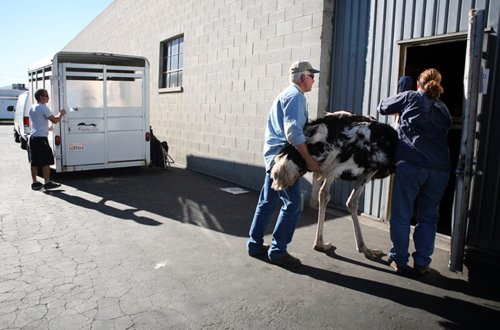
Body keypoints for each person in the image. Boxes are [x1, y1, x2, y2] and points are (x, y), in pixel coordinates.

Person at [377, 68, 451, 275]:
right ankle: (422, 263)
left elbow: (381, 107)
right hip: (439, 170)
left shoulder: (411, 97)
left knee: (401, 214)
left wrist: (401, 105)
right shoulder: (443, 108)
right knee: (428, 217)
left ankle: (399, 259)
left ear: (419, 83)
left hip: (412, 165)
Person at [247, 60, 320, 267]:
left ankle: (254, 245)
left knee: (267, 202)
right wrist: (309, 160)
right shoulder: (295, 97)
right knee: (293, 204)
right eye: (312, 76)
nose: (314, 80)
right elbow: (293, 133)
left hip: (273, 158)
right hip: (284, 162)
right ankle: (278, 251)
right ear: (303, 77)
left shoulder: (287, 94)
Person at [29, 89, 66, 190]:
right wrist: (61, 114)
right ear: (41, 97)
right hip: (41, 139)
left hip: (33, 138)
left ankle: (35, 182)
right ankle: (47, 182)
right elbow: (55, 120)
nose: (48, 98)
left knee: (34, 161)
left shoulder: (32, 107)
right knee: (46, 161)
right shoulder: (43, 108)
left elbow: (38, 122)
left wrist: (46, 128)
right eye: (46, 96)